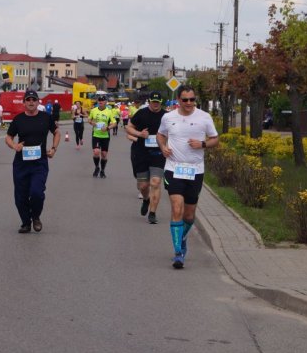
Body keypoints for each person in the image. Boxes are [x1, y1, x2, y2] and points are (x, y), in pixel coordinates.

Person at [157, 85, 219, 269]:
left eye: (192, 99)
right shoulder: (168, 117)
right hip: (173, 168)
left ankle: (182, 238)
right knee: (177, 208)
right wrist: (163, 147)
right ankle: (178, 252)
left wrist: (202, 144)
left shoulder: (204, 117)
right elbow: (160, 135)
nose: (189, 103)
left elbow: (215, 139)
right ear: (179, 100)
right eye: (185, 100)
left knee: (189, 215)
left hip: (195, 170)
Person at [5, 89, 60, 233]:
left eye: (33, 99)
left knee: (37, 192)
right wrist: (14, 146)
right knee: (20, 196)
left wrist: (53, 148)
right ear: (24, 102)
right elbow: (8, 137)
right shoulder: (18, 119)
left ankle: (35, 216)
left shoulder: (46, 117)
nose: (31, 102)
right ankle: (25, 223)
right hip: (21, 163)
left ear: (38, 102)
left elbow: (56, 132)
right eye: (28, 100)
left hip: (39, 162)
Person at [126, 91, 167, 225]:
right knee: (143, 186)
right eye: (153, 102)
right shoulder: (141, 113)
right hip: (141, 153)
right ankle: (146, 199)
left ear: (161, 103)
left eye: (158, 102)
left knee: (155, 182)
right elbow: (129, 128)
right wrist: (139, 134)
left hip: (158, 154)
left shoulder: (166, 116)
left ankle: (153, 213)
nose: (155, 104)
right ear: (149, 101)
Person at [88, 95, 117, 178]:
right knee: (96, 152)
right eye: (99, 100)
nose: (100, 102)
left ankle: (102, 170)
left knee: (104, 155)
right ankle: (97, 167)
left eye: (102, 100)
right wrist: (92, 123)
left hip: (105, 136)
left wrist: (107, 128)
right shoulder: (93, 110)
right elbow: (89, 119)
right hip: (96, 135)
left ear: (105, 102)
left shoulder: (109, 111)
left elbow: (114, 123)